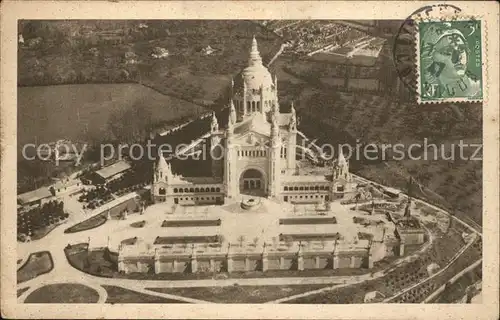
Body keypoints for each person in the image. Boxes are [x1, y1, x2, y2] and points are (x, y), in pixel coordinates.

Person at [420, 22, 481, 99]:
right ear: (430, 58)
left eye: (461, 49)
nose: (458, 58)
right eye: (447, 52)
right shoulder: (429, 92)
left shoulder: (476, 87)